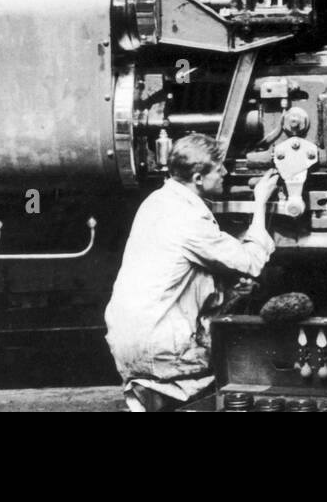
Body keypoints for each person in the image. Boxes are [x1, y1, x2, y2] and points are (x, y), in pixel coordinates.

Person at [104, 132, 280, 411]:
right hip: (162, 350)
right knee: (235, 386)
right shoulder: (188, 219)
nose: (225, 172)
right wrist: (261, 202)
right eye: (219, 168)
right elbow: (252, 262)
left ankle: (151, 397)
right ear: (198, 178)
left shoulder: (156, 201)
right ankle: (166, 396)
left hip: (128, 342)